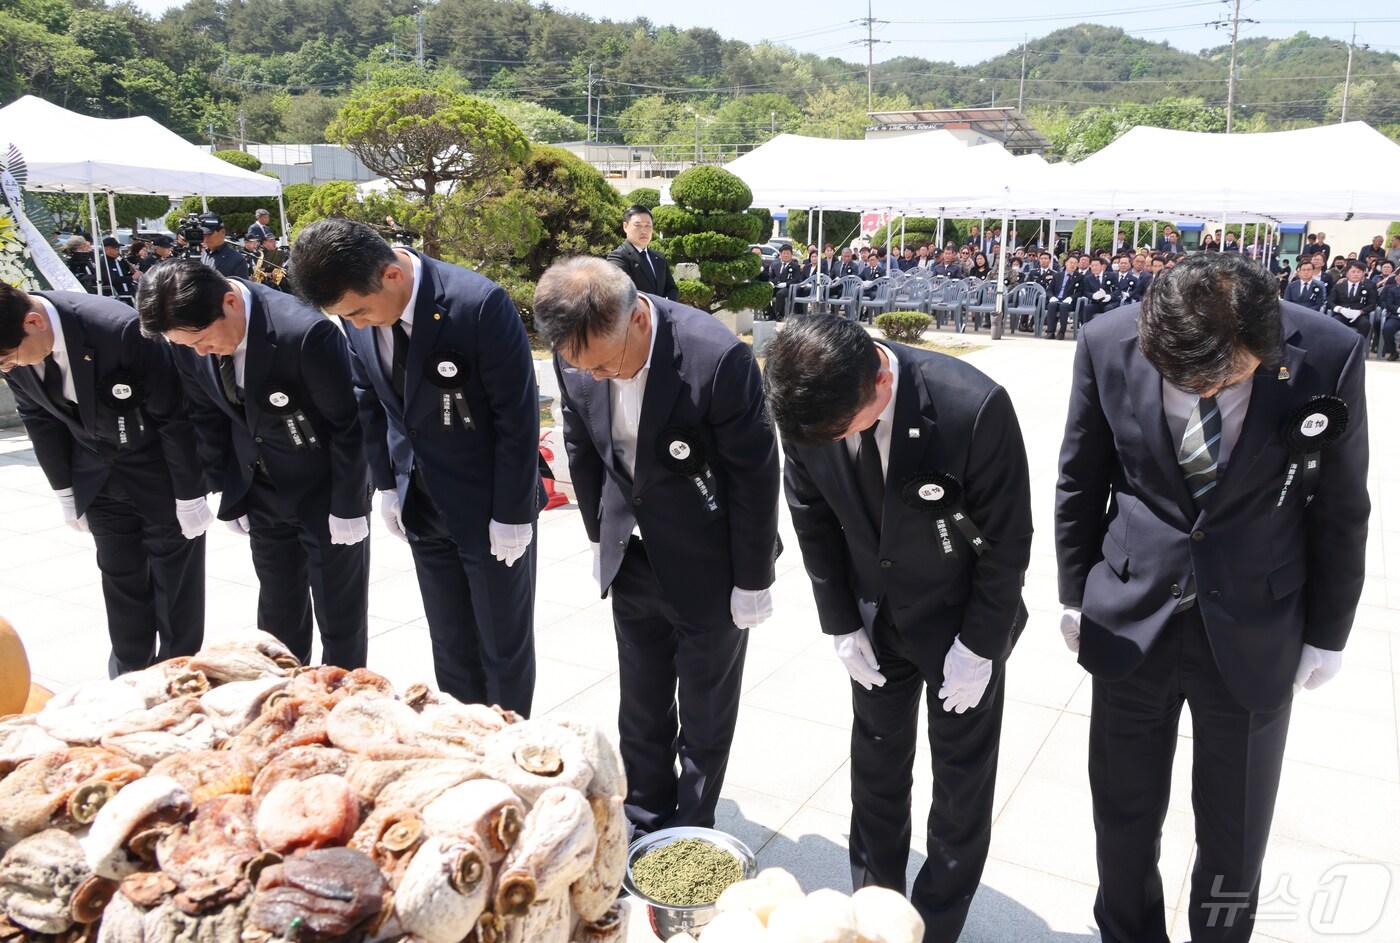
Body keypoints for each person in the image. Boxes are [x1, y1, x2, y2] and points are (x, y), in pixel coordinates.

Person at [1055, 251, 1369, 943]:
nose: (1201, 392)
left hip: (1258, 621)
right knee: (1124, 815)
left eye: (1221, 380)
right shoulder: (1105, 340)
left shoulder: (1329, 353)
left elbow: (1342, 505)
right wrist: (1075, 591)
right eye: (1182, 379)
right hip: (1132, 617)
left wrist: (1329, 630)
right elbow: (1081, 476)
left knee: (1236, 829)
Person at [763, 315, 1031, 943]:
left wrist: (979, 647)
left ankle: (936, 924)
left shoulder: (973, 405)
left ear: (880, 381)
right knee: (877, 769)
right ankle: (874, 915)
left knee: (961, 783)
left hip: (959, 621)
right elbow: (809, 513)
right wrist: (838, 621)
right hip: (873, 616)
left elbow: (1007, 539)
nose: (828, 443)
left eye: (845, 430)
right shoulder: (808, 406)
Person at [534, 256, 781, 833]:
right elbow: (582, 446)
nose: (593, 375)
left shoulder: (715, 358)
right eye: (580, 366)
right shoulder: (576, 355)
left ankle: (691, 830)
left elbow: (754, 473)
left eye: (603, 363)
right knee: (640, 705)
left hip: (710, 561)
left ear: (638, 321)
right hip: (633, 553)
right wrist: (600, 537)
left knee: (704, 711)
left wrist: (752, 578)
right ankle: (646, 821)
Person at [291, 218, 542, 714]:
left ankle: (512, 750)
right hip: (421, 503)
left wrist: (512, 514)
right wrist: (386, 484)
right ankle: (460, 741)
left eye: (360, 312)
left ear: (390, 275)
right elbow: (369, 400)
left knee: (501, 646)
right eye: (346, 317)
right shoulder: (357, 313)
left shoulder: (477, 305)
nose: (356, 325)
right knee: (449, 643)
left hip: (487, 506)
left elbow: (517, 416)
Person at [136, 258, 372, 670]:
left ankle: (341, 698)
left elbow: (348, 426)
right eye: (188, 346)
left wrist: (350, 505)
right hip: (261, 490)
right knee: (277, 614)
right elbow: (206, 416)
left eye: (203, 340)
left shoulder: (303, 334)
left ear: (229, 303)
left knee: (339, 615)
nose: (200, 351)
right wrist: (226, 488)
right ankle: (281, 700)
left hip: (324, 492)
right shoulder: (192, 342)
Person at [1, 282, 211, 676]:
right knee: (120, 579)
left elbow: (174, 416)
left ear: (34, 323)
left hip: (157, 475)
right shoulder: (13, 344)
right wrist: (64, 490)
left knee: (175, 587)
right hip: (96, 479)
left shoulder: (118, 330)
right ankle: (127, 677)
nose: (8, 369)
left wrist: (190, 494)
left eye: (7, 361)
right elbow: (39, 418)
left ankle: (178, 676)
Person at [607, 205, 678, 302]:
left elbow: (671, 289)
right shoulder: (618, 257)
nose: (644, 231)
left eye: (648, 225)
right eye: (638, 225)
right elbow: (621, 294)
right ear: (625, 227)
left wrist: (666, 306)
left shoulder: (659, 258)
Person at [1325, 261, 1377, 343]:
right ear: (1347, 273)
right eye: (1353, 272)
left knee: (1365, 324)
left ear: (1363, 274)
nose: (1356, 274)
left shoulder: (1369, 287)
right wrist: (1340, 309)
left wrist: (1360, 312)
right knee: (1334, 323)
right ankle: (1337, 346)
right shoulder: (1338, 286)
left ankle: (1358, 347)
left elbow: (1372, 304)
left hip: (1359, 315)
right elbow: (1330, 301)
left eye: (1359, 272)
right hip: (1342, 314)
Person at [1042, 252, 1082, 340]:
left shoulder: (1079, 277)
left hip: (1068, 301)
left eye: (1075, 263)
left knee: (1064, 306)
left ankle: (1061, 331)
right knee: (1051, 305)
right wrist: (1052, 296)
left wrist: (1071, 298)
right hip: (1057, 298)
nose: (1073, 265)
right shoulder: (1058, 275)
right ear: (1066, 263)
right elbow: (1049, 289)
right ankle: (1050, 331)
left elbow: (1080, 292)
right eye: (1071, 262)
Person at [198, 214, 251, 279]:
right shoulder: (200, 255)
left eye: (209, 234)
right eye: (202, 234)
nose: (205, 238)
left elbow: (241, 287)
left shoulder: (236, 260)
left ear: (222, 232)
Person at [768, 244, 803, 319]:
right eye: (784, 253)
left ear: (791, 255)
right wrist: (773, 282)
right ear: (780, 254)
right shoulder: (775, 265)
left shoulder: (795, 266)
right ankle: (770, 313)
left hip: (788, 288)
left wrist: (786, 284)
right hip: (776, 286)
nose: (786, 255)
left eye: (788, 253)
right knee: (765, 292)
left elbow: (797, 279)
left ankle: (779, 315)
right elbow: (771, 277)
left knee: (780, 294)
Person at [98, 238, 137, 303]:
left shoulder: (118, 260)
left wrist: (132, 272)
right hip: (118, 295)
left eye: (118, 249)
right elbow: (112, 279)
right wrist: (132, 277)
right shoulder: (103, 262)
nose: (118, 251)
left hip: (129, 292)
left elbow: (124, 274)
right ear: (106, 249)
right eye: (116, 249)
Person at [1080, 256, 1110, 325]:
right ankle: (1085, 329)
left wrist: (1109, 296)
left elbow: (1117, 290)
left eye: (1096, 265)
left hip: (1109, 302)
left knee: (1108, 308)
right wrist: (1093, 295)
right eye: (1092, 266)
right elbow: (1085, 292)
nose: (1094, 268)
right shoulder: (1088, 278)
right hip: (1097, 303)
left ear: (1102, 266)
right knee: (1087, 308)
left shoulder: (1110, 276)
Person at [1379, 268, 1400, 361]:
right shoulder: (1391, 289)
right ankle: (1393, 352)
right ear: (1396, 278)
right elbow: (1389, 304)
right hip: (1395, 316)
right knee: (1388, 328)